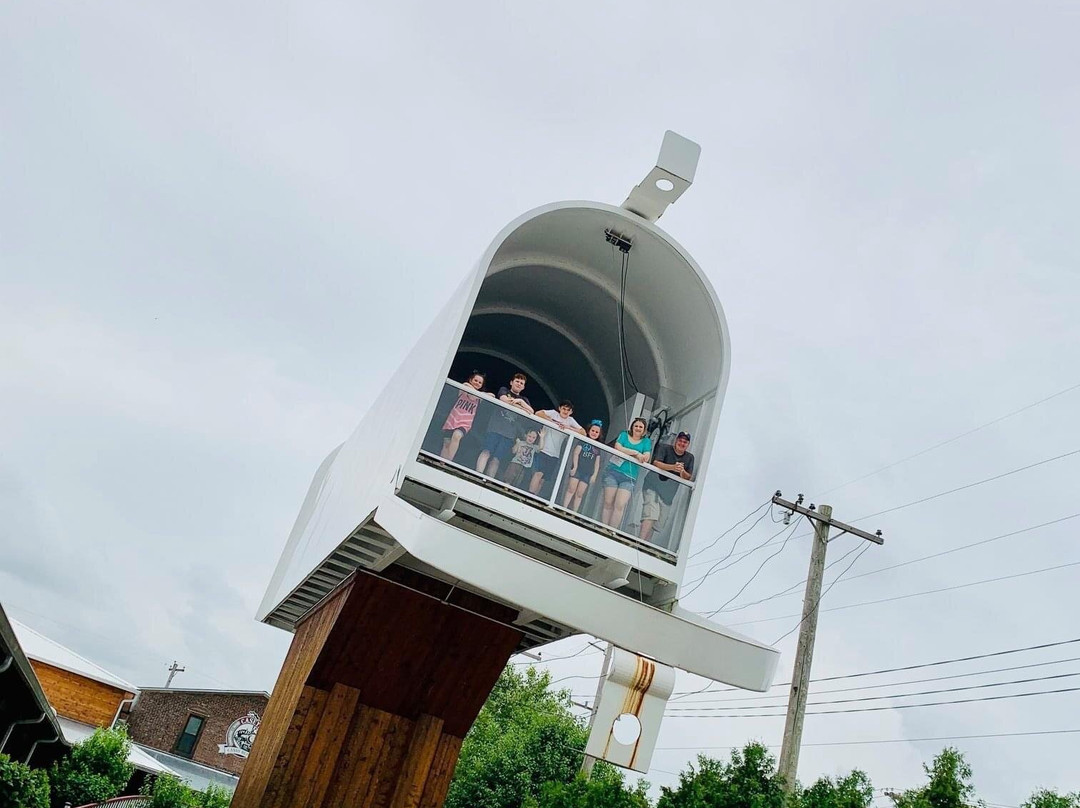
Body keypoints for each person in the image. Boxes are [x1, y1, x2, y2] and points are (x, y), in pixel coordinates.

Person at [639, 431, 695, 542]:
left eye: (685, 442)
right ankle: (639, 541)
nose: (682, 443)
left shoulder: (690, 457)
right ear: (676, 440)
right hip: (653, 486)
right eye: (680, 440)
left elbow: (688, 476)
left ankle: (644, 544)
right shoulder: (664, 448)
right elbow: (656, 463)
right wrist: (673, 467)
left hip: (668, 495)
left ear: (688, 444)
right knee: (651, 514)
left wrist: (681, 471)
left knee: (658, 522)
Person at [476, 372, 534, 478]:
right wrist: (520, 407)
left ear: (523, 387)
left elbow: (531, 411)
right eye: (517, 381)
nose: (519, 384)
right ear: (511, 382)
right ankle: (478, 475)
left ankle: (488, 479)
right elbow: (504, 399)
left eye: (521, 383)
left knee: (497, 458)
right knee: (486, 451)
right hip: (495, 429)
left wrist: (520, 401)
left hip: (509, 435)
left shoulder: (524, 400)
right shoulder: (504, 390)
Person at [601, 417, 653, 530]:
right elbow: (618, 447)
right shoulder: (624, 435)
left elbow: (646, 457)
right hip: (613, 471)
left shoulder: (646, 441)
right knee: (608, 502)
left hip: (629, 477)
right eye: (636, 426)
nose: (638, 428)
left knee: (620, 504)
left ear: (644, 430)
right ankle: (603, 527)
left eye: (640, 427)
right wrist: (636, 453)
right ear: (632, 427)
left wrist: (633, 453)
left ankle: (611, 530)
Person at [530, 400, 586, 494]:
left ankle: (534, 496)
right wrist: (553, 422)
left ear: (571, 412)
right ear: (559, 408)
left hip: (555, 454)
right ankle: (529, 495)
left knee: (543, 479)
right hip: (543, 450)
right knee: (538, 474)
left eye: (568, 410)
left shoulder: (570, 420)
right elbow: (538, 413)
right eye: (564, 408)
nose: (565, 411)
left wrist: (568, 428)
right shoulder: (553, 413)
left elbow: (583, 432)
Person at [440, 371, 486, 461]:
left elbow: (491, 395)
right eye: (475, 380)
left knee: (456, 436)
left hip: (465, 423)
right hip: (452, 420)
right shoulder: (464, 387)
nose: (477, 383)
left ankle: (448, 460)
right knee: (446, 443)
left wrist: (479, 394)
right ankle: (441, 462)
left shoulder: (480, 398)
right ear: (470, 380)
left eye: (480, 382)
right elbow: (466, 386)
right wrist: (478, 393)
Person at [561, 419, 605, 512]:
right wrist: (575, 467)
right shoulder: (582, 441)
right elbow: (576, 453)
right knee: (571, 489)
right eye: (593, 430)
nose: (594, 433)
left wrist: (594, 475)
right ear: (589, 431)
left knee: (580, 493)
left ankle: (574, 512)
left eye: (597, 432)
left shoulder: (598, 447)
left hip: (587, 473)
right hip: (578, 469)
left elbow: (597, 463)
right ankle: (563, 508)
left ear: (599, 434)